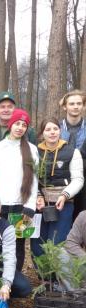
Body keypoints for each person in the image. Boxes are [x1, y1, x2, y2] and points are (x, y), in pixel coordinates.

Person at [0, 108, 39, 271]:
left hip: (20, 206)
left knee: (18, 246)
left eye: (24, 125)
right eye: (17, 123)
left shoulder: (31, 149)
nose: (20, 127)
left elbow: (34, 180)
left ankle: (14, 280)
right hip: (0, 205)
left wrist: (30, 206)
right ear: (10, 124)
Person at [31, 118, 83, 257]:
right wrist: (37, 196)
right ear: (42, 133)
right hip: (39, 205)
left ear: (60, 130)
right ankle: (43, 275)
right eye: (48, 130)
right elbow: (30, 178)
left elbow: (78, 179)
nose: (52, 132)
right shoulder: (35, 152)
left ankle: (55, 277)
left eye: (55, 129)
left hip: (63, 204)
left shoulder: (73, 152)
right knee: (38, 243)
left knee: (57, 242)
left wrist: (65, 195)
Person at [60, 90, 86, 218]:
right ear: (65, 106)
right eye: (72, 104)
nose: (75, 106)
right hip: (61, 180)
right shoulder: (56, 129)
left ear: (83, 106)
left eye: (79, 103)